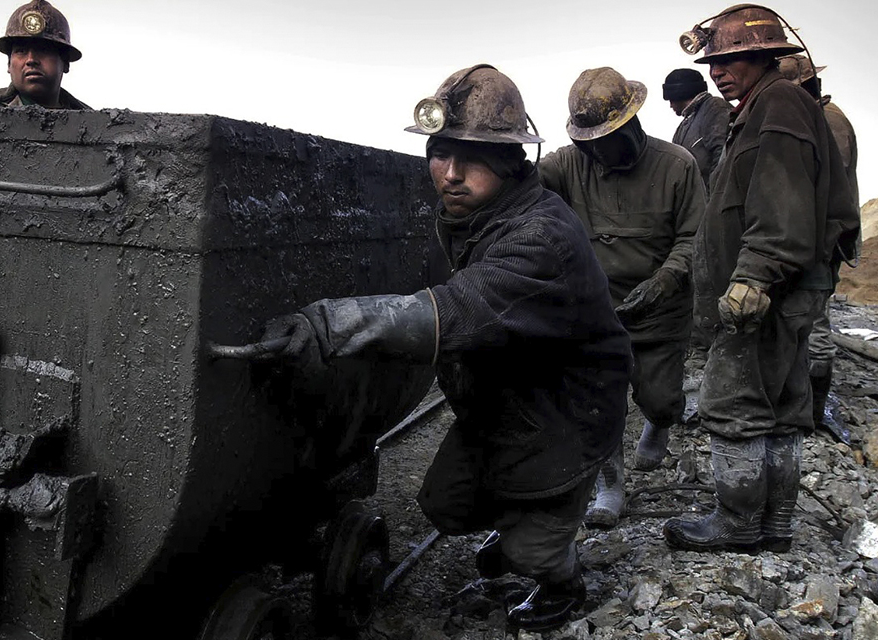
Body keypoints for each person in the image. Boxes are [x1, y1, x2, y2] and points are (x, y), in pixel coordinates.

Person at [246, 64, 631, 631]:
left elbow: (452, 312)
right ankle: (527, 521)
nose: (449, 174)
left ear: (510, 161)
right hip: (505, 395)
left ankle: (561, 575)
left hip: (565, 409)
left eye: (471, 159)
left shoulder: (541, 237)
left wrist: (330, 325)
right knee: (446, 506)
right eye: (439, 153)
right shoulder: (478, 213)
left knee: (530, 554)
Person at [663, 4, 859, 553]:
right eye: (713, 63)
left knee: (732, 403)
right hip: (786, 290)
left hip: (767, 293)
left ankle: (739, 523)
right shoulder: (768, 107)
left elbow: (781, 201)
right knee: (781, 407)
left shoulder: (776, 104)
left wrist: (754, 274)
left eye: (730, 59)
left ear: (763, 55)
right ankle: (775, 526)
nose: (717, 71)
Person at [538, 68, 706, 528]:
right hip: (598, 310)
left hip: (661, 307)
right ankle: (610, 484)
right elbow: (520, 187)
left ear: (630, 123)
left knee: (660, 395)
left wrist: (665, 280)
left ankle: (659, 420)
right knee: (598, 402)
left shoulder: (677, 165)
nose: (593, 149)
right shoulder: (569, 163)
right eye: (586, 140)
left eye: (603, 138)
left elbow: (695, 237)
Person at [778, 54, 860, 444]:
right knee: (807, 320)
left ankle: (813, 410)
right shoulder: (821, 117)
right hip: (815, 237)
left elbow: (823, 190)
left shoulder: (828, 122)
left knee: (816, 323)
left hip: (821, 242)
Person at [0, 0, 92, 109]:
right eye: (21, 51)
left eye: (43, 50)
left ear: (65, 62)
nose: (31, 59)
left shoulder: (89, 121)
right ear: (9, 63)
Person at [662, 68, 732, 188]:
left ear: (680, 93)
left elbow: (723, 155)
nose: (670, 105)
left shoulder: (715, 108)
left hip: (713, 198)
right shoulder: (684, 125)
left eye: (671, 99)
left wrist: (714, 198)